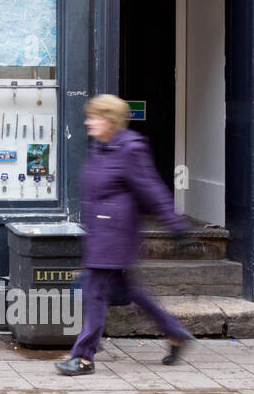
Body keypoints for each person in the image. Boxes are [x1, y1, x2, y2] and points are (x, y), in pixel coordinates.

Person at [55, 94, 196, 376]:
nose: (88, 121)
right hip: (100, 233)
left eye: (93, 117)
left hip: (115, 235)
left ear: (109, 120)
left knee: (93, 293)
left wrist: (174, 222)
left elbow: (150, 186)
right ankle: (175, 332)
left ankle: (83, 358)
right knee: (130, 291)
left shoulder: (129, 149)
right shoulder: (101, 147)